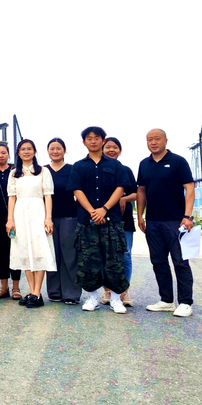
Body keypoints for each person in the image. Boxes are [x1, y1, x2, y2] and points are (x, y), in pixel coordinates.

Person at [67, 126, 130, 314]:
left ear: (103, 140)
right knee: (88, 260)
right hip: (86, 221)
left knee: (114, 260)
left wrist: (104, 209)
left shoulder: (116, 165)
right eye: (89, 138)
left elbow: (120, 188)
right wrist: (92, 211)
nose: (93, 141)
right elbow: (77, 190)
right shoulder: (78, 166)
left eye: (97, 138)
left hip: (112, 220)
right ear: (84, 142)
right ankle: (92, 297)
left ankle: (116, 299)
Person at [137, 128, 196, 318]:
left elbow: (189, 188)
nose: (153, 142)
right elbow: (141, 191)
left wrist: (188, 216)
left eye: (157, 139)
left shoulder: (178, 161)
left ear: (165, 141)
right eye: (149, 139)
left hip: (176, 221)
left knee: (180, 261)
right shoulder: (144, 164)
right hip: (153, 221)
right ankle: (166, 300)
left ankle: (185, 302)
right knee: (158, 261)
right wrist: (140, 215)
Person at [6, 139, 55, 309]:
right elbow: (11, 198)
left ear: (34, 152)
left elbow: (48, 196)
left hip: (38, 212)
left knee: (39, 250)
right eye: (23, 149)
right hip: (20, 213)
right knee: (24, 250)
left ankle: (36, 292)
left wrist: (48, 218)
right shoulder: (14, 173)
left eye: (29, 149)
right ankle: (33, 292)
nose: (26, 152)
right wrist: (10, 219)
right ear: (18, 153)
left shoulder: (43, 171)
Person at [44, 138, 81, 305]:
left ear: (64, 151)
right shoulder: (42, 170)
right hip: (47, 218)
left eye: (58, 148)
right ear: (48, 151)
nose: (55, 151)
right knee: (52, 254)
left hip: (68, 216)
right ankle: (54, 292)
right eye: (52, 148)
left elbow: (79, 192)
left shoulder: (72, 169)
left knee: (69, 254)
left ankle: (71, 293)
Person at [101, 137, 137, 306]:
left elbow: (136, 193)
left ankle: (124, 291)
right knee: (105, 255)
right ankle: (107, 290)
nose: (111, 150)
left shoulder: (125, 170)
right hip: (102, 218)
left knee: (125, 255)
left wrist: (123, 198)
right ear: (102, 149)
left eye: (115, 147)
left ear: (120, 151)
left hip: (124, 219)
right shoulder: (97, 170)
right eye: (107, 147)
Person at [0, 143, 23, 300]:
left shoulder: (17, 172)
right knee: (1, 252)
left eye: (3, 152)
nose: (0, 155)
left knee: (16, 250)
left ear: (9, 154)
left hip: (16, 216)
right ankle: (4, 287)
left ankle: (16, 287)